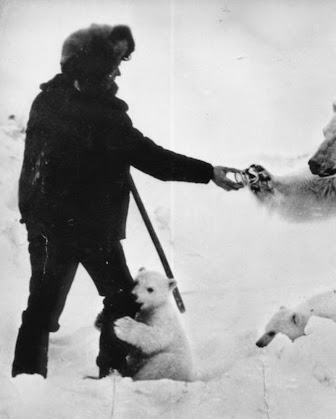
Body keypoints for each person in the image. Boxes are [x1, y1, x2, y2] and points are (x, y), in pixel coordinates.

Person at [12, 23, 244, 378]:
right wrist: (209, 172)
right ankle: (105, 376)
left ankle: (43, 384)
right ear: (92, 66)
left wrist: (34, 218)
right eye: (113, 63)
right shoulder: (102, 114)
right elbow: (152, 159)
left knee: (63, 307)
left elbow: (37, 169)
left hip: (64, 228)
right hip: (78, 230)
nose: (119, 70)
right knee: (107, 302)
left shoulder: (51, 101)